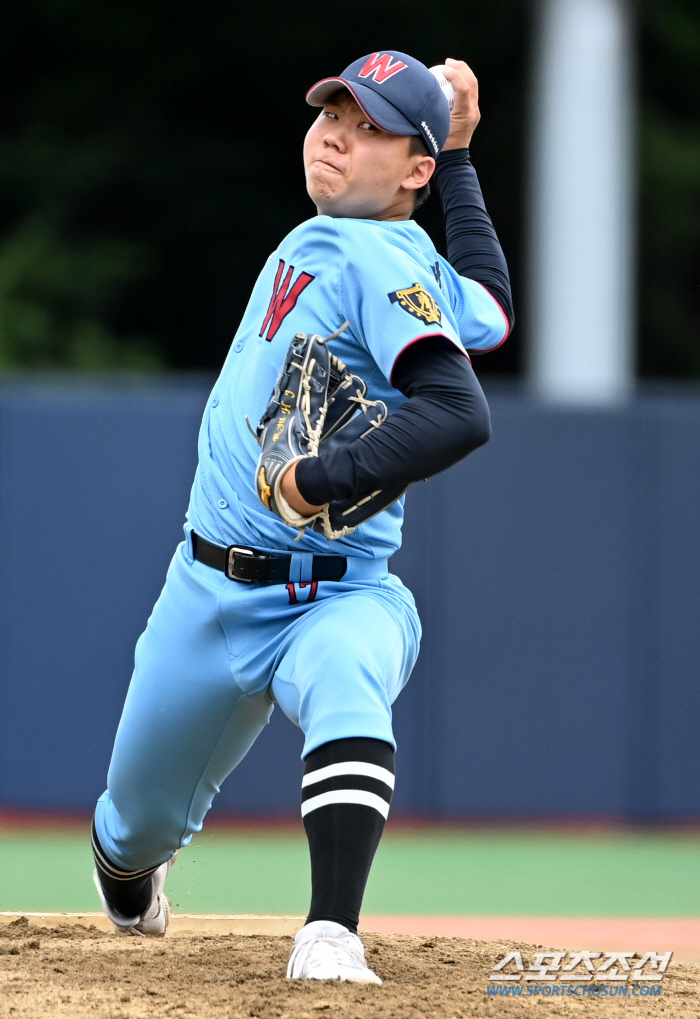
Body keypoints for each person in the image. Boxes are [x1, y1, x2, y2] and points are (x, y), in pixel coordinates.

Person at [91, 51, 513, 984]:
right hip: (206, 590)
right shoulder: (368, 244)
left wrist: (325, 477)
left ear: (414, 171)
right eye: (333, 113)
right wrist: (467, 158)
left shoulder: (372, 257)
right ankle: (133, 863)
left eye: (370, 128)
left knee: (345, 673)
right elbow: (487, 305)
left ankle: (332, 929)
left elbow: (459, 409)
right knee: (128, 836)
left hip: (337, 592)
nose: (336, 133)